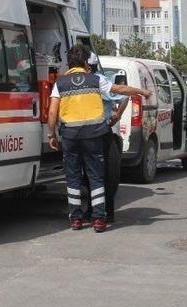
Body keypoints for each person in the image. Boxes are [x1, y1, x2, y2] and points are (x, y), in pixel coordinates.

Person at [47, 45, 150, 232]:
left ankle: (76, 219)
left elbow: (53, 111)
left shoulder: (60, 83)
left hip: (70, 135)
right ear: (86, 62)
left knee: (73, 178)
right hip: (94, 135)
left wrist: (51, 134)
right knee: (96, 176)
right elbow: (118, 89)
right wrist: (141, 92)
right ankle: (99, 219)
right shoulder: (96, 80)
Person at [88, 52, 130, 223]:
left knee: (103, 176)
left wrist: (117, 116)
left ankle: (106, 212)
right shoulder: (86, 81)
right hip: (89, 134)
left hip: (102, 133)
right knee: (91, 176)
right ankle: (93, 210)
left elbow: (125, 95)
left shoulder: (98, 81)